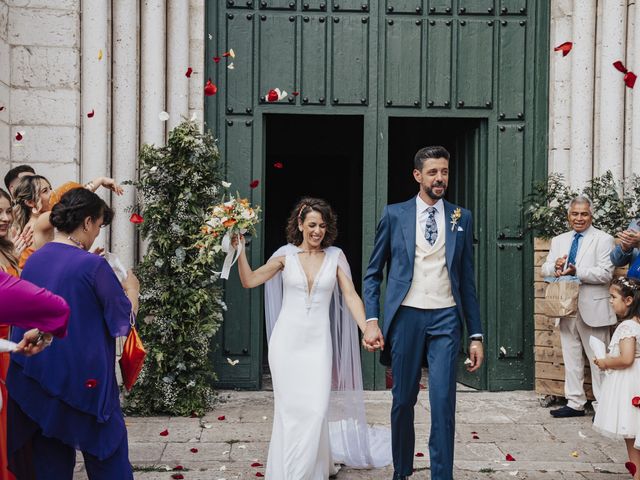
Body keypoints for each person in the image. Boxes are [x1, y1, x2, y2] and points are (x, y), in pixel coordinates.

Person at [233, 197, 390, 479]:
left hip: (318, 345)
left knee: (316, 411)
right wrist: (240, 252)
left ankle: (309, 468)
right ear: (300, 224)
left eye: (322, 225)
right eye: (312, 225)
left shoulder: (335, 257)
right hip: (286, 344)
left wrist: (367, 326)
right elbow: (250, 281)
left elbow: (351, 296)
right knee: (290, 412)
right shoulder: (285, 256)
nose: (317, 231)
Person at [362, 145, 484, 480]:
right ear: (418, 175)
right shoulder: (394, 214)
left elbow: (467, 281)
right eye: (433, 172)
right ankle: (401, 472)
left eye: (444, 171)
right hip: (406, 318)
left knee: (444, 403)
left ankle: (442, 476)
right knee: (403, 401)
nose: (440, 178)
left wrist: (475, 335)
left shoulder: (462, 217)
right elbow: (373, 274)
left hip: (446, 318)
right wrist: (372, 320)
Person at [7, 188, 139, 480]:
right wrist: (132, 289)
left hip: (39, 376)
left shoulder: (35, 260)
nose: (97, 234)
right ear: (88, 222)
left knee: (49, 461)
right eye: (100, 226)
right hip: (84, 378)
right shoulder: (94, 265)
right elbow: (121, 320)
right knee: (108, 455)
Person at [541, 195, 616, 418]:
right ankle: (574, 403)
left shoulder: (603, 239)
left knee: (598, 358)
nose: (579, 218)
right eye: (575, 214)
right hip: (565, 307)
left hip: (592, 308)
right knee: (571, 357)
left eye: (584, 214)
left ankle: (604, 407)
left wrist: (577, 272)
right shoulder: (559, 240)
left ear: (591, 215)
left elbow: (605, 273)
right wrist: (553, 267)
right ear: (568, 215)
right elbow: (544, 269)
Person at [593, 276, 640, 480]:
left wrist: (604, 362)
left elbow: (627, 358)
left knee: (631, 433)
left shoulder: (627, 326)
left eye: (613, 297)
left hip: (630, 383)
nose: (610, 301)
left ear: (628, 300)